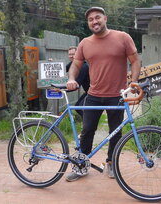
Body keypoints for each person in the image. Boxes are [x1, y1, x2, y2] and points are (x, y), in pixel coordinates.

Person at [66, 7, 141, 182]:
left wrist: (134, 82)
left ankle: (111, 163)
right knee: (87, 131)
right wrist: (71, 78)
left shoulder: (122, 37)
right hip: (93, 95)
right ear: (88, 23)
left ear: (105, 18)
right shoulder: (85, 43)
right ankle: (81, 165)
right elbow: (76, 65)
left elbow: (135, 60)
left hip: (117, 95)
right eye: (90, 19)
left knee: (116, 132)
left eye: (97, 18)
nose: (94, 21)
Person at [66, 46, 90, 118]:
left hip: (93, 92)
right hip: (87, 91)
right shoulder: (73, 64)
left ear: (78, 54)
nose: (71, 56)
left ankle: (88, 125)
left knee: (80, 108)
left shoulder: (83, 66)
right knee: (78, 107)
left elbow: (77, 85)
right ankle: (87, 124)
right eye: (69, 54)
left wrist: (61, 90)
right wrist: (51, 63)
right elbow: (61, 69)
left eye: (73, 54)